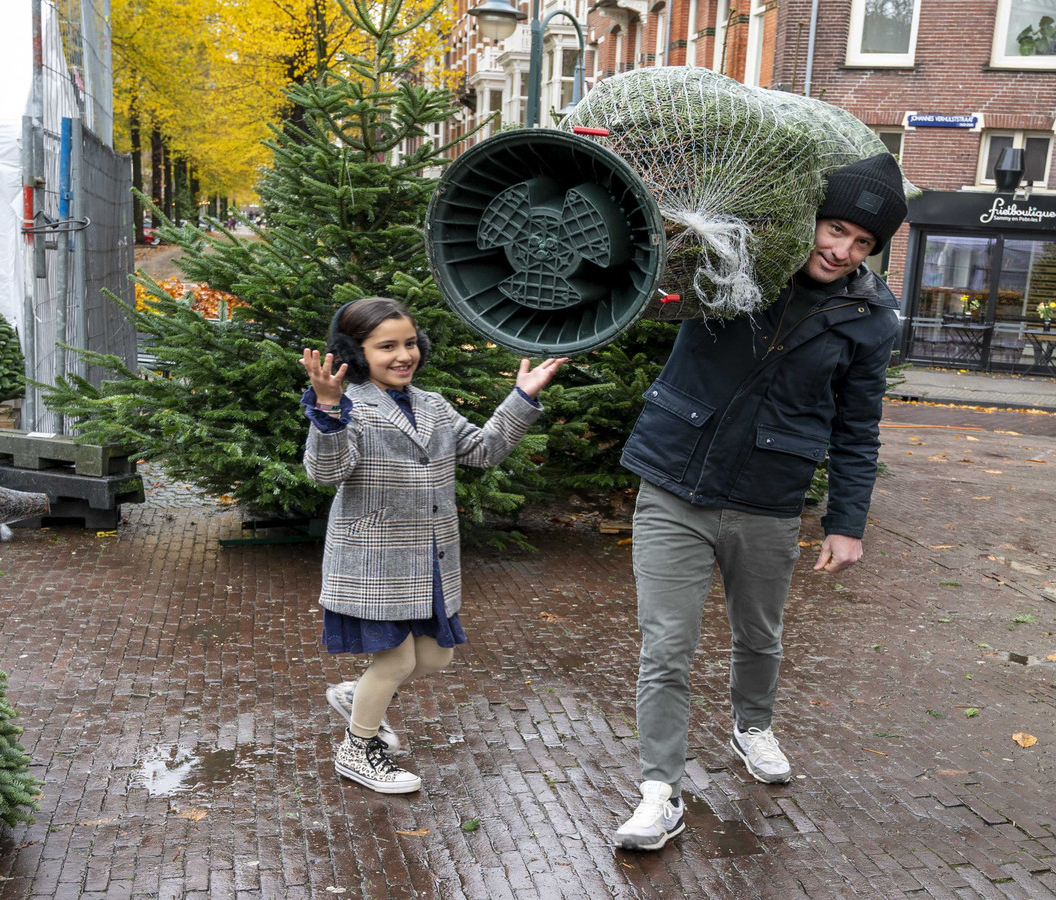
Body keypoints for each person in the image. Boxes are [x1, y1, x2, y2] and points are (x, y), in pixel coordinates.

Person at [611, 153, 908, 850]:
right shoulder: (735, 266)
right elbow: (661, 258)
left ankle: (752, 727)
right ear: (810, 220)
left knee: (760, 636)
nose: (842, 250)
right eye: (834, 229)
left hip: (768, 498)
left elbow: (858, 428)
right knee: (667, 647)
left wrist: (846, 524)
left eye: (862, 243)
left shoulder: (871, 319)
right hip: (673, 484)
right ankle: (660, 790)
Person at [300, 296, 566, 793]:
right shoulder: (347, 404)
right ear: (355, 353)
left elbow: (483, 451)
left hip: (431, 558)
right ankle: (358, 749)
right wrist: (329, 409)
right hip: (373, 560)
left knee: (435, 658)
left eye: (409, 343)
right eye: (386, 347)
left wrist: (522, 398)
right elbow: (326, 472)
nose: (403, 355)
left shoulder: (433, 405)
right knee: (397, 661)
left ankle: (357, 695)